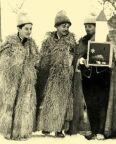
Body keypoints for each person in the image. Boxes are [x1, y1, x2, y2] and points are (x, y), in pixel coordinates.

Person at [0, 12, 39, 140]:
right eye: (26, 28)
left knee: (24, 106)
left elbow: (36, 59)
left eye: (31, 29)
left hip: (26, 81)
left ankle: (21, 132)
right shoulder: (9, 42)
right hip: (11, 80)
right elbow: (0, 60)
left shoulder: (32, 44)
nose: (29, 31)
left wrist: (32, 69)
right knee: (9, 105)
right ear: (19, 28)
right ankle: (7, 131)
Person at [68, 13, 116, 140]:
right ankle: (92, 129)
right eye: (86, 26)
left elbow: (111, 57)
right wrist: (81, 61)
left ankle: (102, 130)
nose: (87, 29)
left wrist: (109, 62)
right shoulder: (82, 41)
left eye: (90, 26)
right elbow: (77, 57)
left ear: (96, 27)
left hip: (103, 77)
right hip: (88, 77)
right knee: (90, 103)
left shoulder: (105, 39)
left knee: (102, 103)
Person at [36, 10, 76, 138]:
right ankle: (46, 126)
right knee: (49, 101)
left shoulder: (71, 42)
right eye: (63, 26)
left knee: (62, 102)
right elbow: (42, 58)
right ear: (57, 27)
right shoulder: (47, 42)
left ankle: (59, 128)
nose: (66, 28)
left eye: (68, 26)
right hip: (50, 76)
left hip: (65, 76)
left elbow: (74, 57)